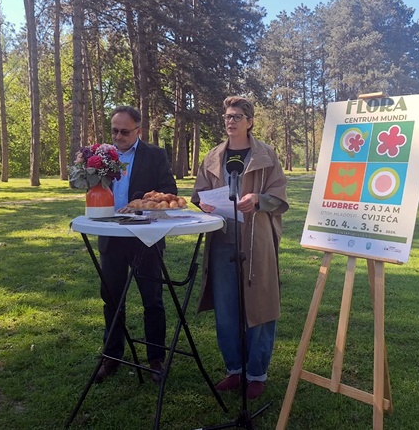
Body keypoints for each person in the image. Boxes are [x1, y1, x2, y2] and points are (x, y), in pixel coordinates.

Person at [191, 96, 289, 400]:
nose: (230, 121)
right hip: (221, 239)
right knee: (226, 308)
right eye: (227, 116)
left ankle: (256, 374)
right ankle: (235, 369)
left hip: (256, 238)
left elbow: (279, 196)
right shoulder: (212, 156)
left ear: (250, 121)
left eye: (236, 116)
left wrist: (258, 199)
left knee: (259, 305)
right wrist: (205, 204)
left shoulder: (266, 156)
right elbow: (199, 194)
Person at [95, 106, 178, 384]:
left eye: (125, 131)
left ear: (139, 131)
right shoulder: (102, 156)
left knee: (152, 299)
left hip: (146, 237)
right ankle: (112, 356)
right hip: (111, 236)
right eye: (114, 130)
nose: (118, 136)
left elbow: (170, 191)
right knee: (111, 299)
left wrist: (141, 203)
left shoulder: (155, 155)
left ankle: (155, 358)